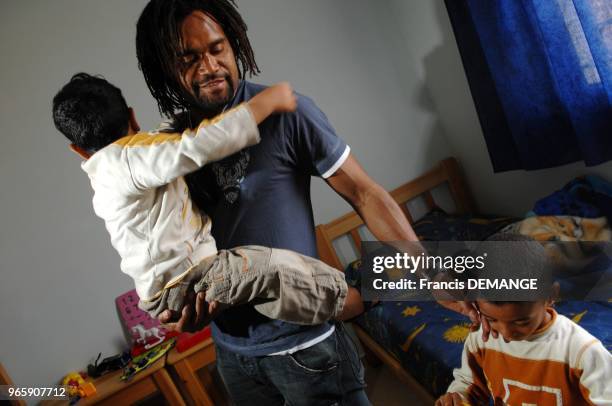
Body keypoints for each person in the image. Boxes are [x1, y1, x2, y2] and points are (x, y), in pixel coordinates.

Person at [134, 1, 449, 404]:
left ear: (235, 44)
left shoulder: (285, 114)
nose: (209, 66)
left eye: (217, 49)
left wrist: (431, 274)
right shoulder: (168, 149)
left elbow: (363, 192)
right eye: (189, 58)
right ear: (165, 68)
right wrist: (182, 307)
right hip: (233, 354)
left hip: (307, 349)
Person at [52, 72, 365, 325]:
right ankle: (350, 301)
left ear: (78, 150)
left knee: (264, 280)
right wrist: (264, 104)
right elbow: (194, 147)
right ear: (133, 118)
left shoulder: (112, 172)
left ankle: (326, 300)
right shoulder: (131, 160)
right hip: (188, 279)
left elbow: (163, 148)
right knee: (273, 269)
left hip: (169, 287)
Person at [436, 237, 612, 406]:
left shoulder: (582, 351)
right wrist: (458, 397)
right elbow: (468, 383)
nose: (506, 333)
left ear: (551, 296)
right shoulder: (481, 338)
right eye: (492, 319)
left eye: (521, 322)